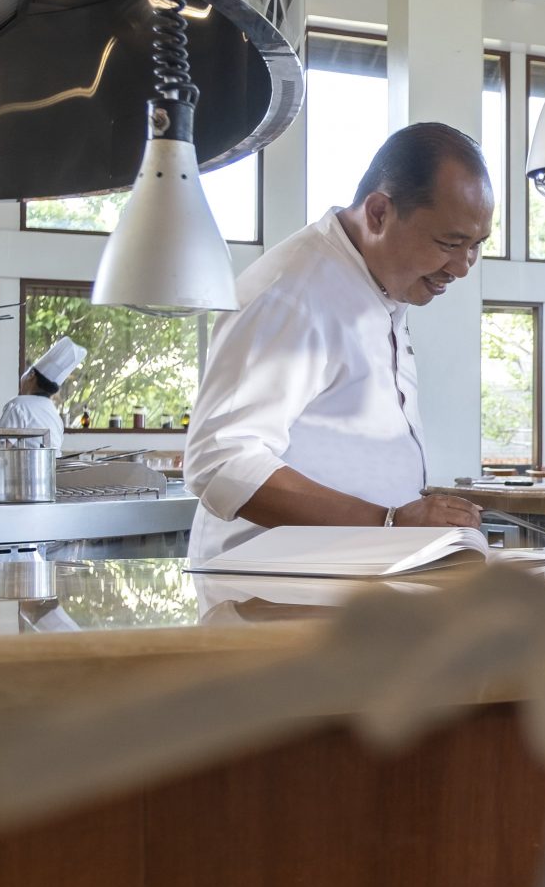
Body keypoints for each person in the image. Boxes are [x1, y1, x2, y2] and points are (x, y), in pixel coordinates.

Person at [185, 123, 494, 562]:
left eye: (476, 246)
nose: (463, 267)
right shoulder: (292, 292)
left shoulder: (380, 286)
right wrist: (389, 523)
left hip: (351, 578)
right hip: (272, 586)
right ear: (379, 214)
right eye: (449, 243)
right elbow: (221, 461)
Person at [0, 337, 84, 451]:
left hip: (28, 463)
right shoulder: (54, 414)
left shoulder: (18, 405)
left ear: (31, 375)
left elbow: (0, 448)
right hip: (52, 463)